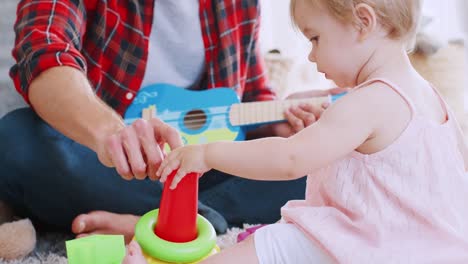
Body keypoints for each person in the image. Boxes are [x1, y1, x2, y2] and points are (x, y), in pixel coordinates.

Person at [124, 0, 468, 263]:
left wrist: (207, 153)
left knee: (269, 244)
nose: (312, 55)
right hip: (438, 251)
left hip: (367, 245)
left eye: (315, 38)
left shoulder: (369, 101)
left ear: (363, 22)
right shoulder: (433, 99)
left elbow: (289, 158)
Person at [0, 0, 342, 244]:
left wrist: (284, 122)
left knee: (331, 160)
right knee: (14, 141)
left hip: (203, 167)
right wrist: (113, 135)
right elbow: (43, 50)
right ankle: (196, 220)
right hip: (111, 168)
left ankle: (164, 221)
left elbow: (250, 95)